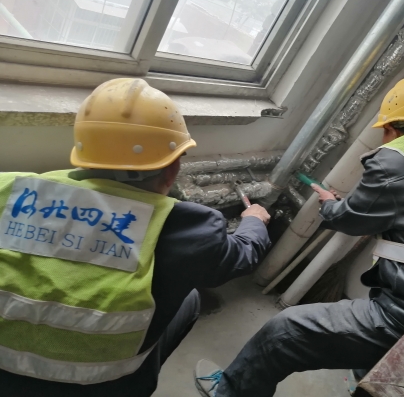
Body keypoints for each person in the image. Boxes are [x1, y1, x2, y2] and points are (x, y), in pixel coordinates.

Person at [194, 77, 404, 397]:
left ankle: (231, 391)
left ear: (390, 128)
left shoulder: (398, 159)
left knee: (284, 331)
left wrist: (330, 205)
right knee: (369, 322)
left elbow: (351, 220)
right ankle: (367, 378)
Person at [0, 78, 271, 397]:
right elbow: (242, 255)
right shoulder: (188, 227)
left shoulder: (9, 188)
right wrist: (254, 221)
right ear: (172, 170)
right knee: (191, 299)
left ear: (83, 153)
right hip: (101, 386)